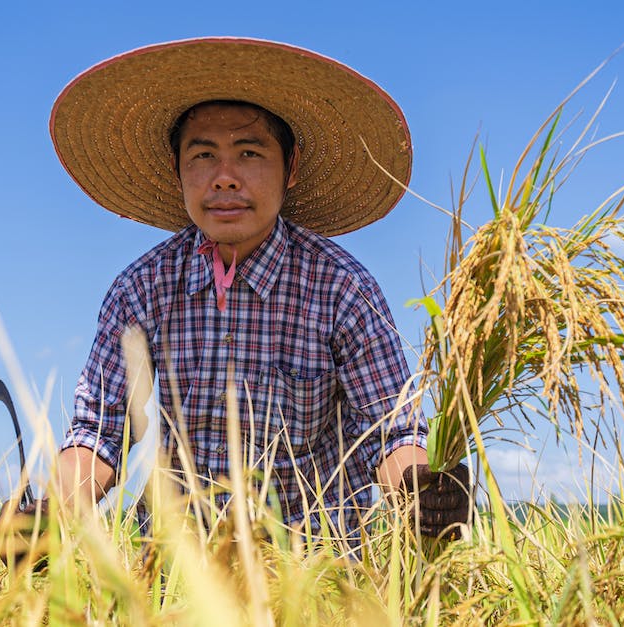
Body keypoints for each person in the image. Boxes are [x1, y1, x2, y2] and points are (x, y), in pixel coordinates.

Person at [31, 37, 469, 544]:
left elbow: (390, 433)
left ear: (291, 167)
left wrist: (421, 490)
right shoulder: (142, 290)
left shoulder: (342, 289)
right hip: (178, 574)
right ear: (178, 170)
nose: (224, 178)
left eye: (249, 152)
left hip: (315, 568)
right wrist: (53, 514)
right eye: (203, 155)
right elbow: (99, 432)